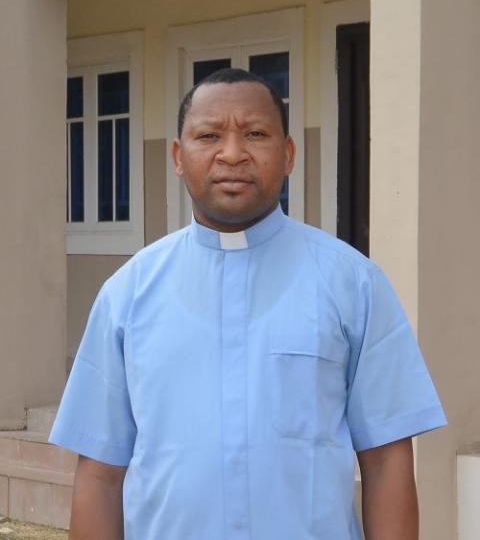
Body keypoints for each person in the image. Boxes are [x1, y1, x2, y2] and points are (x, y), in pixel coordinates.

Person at [49, 68, 447, 540]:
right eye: (209, 135)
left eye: (255, 134)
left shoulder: (353, 284)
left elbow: (386, 459)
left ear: (288, 154)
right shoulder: (127, 294)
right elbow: (99, 471)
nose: (232, 154)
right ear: (178, 156)